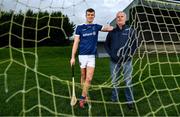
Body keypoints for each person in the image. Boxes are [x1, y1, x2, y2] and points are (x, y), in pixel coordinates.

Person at [70, 8, 113, 108]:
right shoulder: (80, 27)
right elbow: (76, 42)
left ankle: (82, 98)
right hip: (82, 56)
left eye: (92, 15)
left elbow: (107, 28)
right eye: (88, 14)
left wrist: (116, 27)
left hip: (91, 56)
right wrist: (72, 57)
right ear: (86, 15)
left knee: (89, 79)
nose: (90, 16)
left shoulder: (96, 26)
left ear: (94, 16)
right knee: (83, 76)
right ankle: (85, 93)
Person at [104, 11, 138, 110]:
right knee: (115, 81)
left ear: (125, 18)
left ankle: (130, 101)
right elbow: (106, 45)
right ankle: (114, 98)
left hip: (127, 61)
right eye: (118, 17)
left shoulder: (131, 30)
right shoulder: (112, 32)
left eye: (121, 16)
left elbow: (135, 44)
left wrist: (129, 55)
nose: (119, 18)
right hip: (114, 61)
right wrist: (112, 54)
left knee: (128, 81)